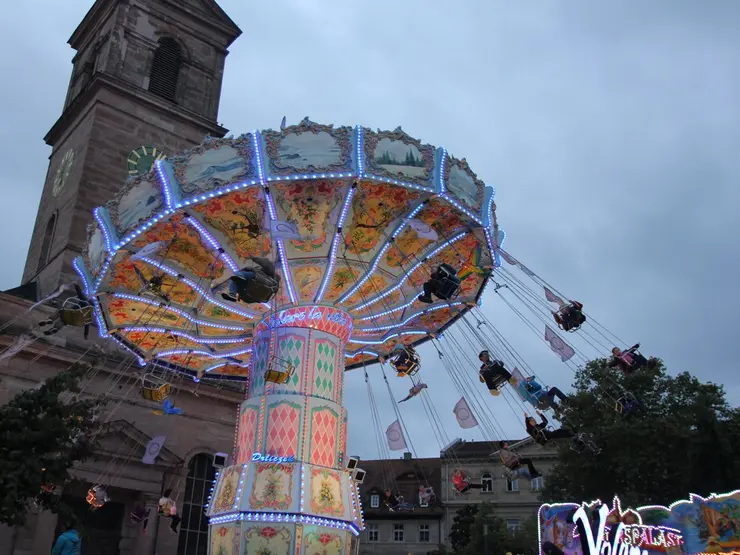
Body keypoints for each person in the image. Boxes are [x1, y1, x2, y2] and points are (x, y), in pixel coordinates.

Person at [210, 256, 280, 304]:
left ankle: (232, 293)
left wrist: (253, 257)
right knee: (235, 280)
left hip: (258, 281)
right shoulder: (272, 286)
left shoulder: (271, 276)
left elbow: (267, 264)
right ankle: (233, 293)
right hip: (253, 293)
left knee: (236, 275)